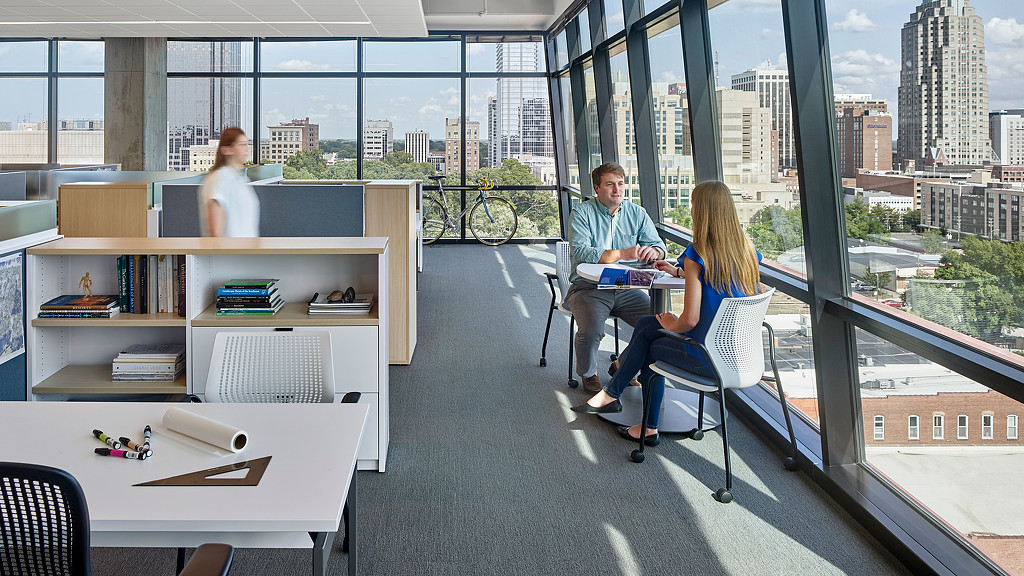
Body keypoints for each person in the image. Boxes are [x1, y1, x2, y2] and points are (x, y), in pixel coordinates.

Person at [571, 180, 763, 444]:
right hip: (740, 356)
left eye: (694, 204)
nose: (691, 208)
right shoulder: (747, 250)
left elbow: (690, 320)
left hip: (706, 357)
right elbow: (722, 279)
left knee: (649, 342)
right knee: (649, 324)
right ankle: (613, 396)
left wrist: (673, 323)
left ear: (702, 211)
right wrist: (679, 273)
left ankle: (643, 423)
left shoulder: (698, 254)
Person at [565, 162, 667, 393]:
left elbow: (660, 246)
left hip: (627, 286)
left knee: (659, 323)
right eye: (610, 185)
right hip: (588, 287)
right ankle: (589, 373)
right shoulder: (581, 212)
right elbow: (582, 253)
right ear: (597, 188)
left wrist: (655, 251)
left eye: (620, 184)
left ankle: (622, 364)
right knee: (592, 330)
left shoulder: (637, 213)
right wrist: (623, 253)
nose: (617, 190)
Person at [198, 127, 260, 237]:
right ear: (227, 149)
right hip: (230, 253)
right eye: (241, 144)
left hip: (246, 251)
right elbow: (214, 230)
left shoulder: (241, 179)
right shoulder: (219, 179)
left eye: (247, 144)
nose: (246, 149)